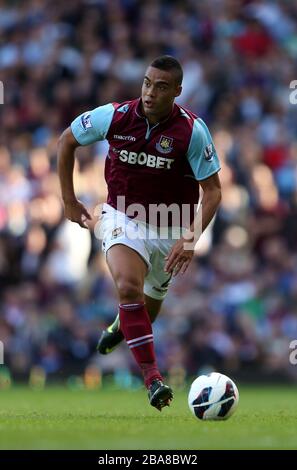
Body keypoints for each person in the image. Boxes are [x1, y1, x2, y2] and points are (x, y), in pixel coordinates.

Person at [57, 55, 221, 411]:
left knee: (149, 303)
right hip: (122, 217)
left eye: (161, 87)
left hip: (172, 225)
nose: (150, 92)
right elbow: (67, 140)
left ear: (177, 91)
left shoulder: (192, 131)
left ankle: (122, 323)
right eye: (147, 83)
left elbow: (213, 192)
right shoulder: (115, 116)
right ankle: (153, 379)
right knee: (128, 286)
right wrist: (69, 200)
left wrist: (190, 240)